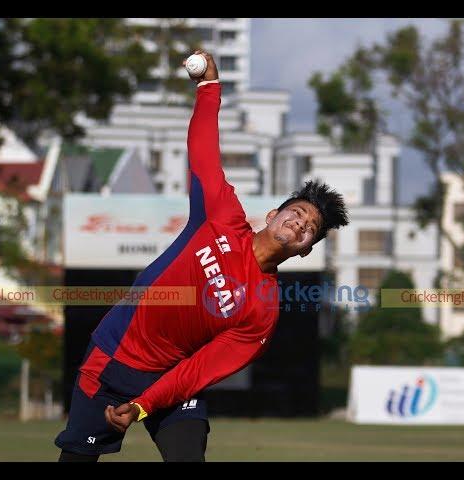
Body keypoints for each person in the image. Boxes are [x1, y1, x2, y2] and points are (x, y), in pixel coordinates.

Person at [55, 50, 349, 462]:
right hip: (113, 357)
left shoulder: (262, 313)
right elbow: (204, 153)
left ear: (305, 251)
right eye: (297, 212)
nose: (301, 224)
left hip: (172, 380)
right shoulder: (222, 217)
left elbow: (199, 370)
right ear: (272, 214)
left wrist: (143, 406)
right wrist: (209, 88)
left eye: (310, 229)